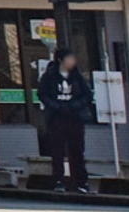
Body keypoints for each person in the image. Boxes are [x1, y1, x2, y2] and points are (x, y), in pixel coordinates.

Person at [37, 48, 96, 193]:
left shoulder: (77, 76)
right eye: (69, 58)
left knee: (77, 151)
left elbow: (88, 95)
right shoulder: (49, 76)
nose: (72, 61)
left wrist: (75, 105)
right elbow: (42, 94)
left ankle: (81, 182)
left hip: (75, 118)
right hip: (56, 118)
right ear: (60, 60)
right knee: (57, 151)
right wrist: (55, 106)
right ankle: (59, 180)